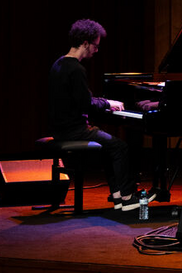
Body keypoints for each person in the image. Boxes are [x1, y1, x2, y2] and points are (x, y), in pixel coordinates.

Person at [47, 19, 141, 211]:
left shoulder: (59, 64)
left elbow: (79, 98)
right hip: (74, 130)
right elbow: (86, 104)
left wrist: (104, 102)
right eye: (95, 46)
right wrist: (108, 103)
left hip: (60, 128)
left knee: (108, 146)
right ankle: (127, 197)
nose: (96, 50)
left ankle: (117, 195)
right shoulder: (76, 69)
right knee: (120, 147)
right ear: (85, 43)